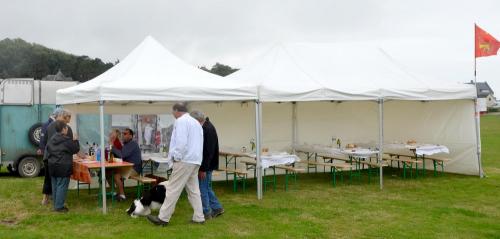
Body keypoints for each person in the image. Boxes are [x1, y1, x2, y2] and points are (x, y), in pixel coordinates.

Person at [147, 103, 204, 226]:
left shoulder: (181, 121)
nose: (172, 114)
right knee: (194, 191)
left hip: (184, 160)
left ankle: (163, 218)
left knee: (173, 189)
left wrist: (176, 157)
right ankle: (199, 217)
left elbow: (181, 142)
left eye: (172, 112)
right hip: (195, 160)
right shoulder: (195, 123)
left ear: (177, 111)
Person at [190, 110, 224, 220]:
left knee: (202, 188)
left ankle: (206, 211)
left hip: (206, 165)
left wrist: (203, 169)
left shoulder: (207, 129)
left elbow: (208, 152)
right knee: (206, 187)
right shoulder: (206, 126)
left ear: (197, 120)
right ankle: (217, 207)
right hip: (207, 164)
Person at [45, 121, 80, 212]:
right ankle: (59, 207)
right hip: (63, 166)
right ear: (64, 129)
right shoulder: (66, 140)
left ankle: (56, 205)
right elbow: (75, 149)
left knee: (55, 185)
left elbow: (48, 149)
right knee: (62, 186)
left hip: (52, 165)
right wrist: (76, 140)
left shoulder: (52, 139)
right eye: (66, 128)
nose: (67, 129)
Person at [40, 108, 73, 205]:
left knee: (49, 179)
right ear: (64, 116)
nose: (70, 119)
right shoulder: (66, 128)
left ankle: (47, 199)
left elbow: (45, 141)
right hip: (60, 158)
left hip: (49, 156)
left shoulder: (49, 126)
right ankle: (59, 202)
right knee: (60, 181)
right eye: (69, 117)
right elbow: (69, 144)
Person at [110, 128, 142, 201]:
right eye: (123, 133)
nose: (123, 135)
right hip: (128, 167)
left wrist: (113, 147)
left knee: (116, 175)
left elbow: (122, 155)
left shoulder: (132, 144)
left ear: (131, 136)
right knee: (109, 172)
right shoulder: (125, 144)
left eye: (125, 134)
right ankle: (115, 192)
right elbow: (121, 155)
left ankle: (122, 195)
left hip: (135, 169)